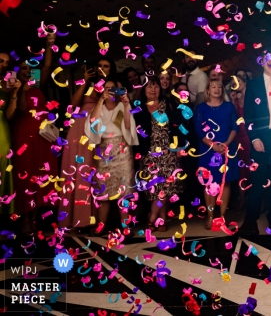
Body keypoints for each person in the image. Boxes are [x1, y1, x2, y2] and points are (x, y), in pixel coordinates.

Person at [58, 57, 118, 231]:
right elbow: (73, 104)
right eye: (98, 65)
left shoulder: (112, 86)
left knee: (93, 171)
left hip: (99, 129)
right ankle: (74, 219)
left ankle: (92, 219)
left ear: (111, 69)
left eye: (105, 66)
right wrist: (85, 82)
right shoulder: (88, 84)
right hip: (79, 130)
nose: (101, 68)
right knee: (76, 170)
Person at [6, 34, 56, 235]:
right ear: (18, 71)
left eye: (30, 68)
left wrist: (49, 44)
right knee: (25, 176)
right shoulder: (15, 88)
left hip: (42, 138)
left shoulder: (38, 83)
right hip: (24, 135)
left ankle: (35, 217)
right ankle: (25, 218)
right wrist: (21, 90)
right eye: (23, 68)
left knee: (40, 176)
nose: (28, 71)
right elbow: (18, 110)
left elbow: (47, 66)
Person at [239, 47, 271, 236]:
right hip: (261, 137)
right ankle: (250, 222)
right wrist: (254, 139)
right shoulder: (253, 85)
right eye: (268, 58)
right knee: (257, 180)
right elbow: (248, 115)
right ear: (262, 61)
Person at [84, 76, 139, 236]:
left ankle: (126, 228)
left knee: (124, 191)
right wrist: (100, 100)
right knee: (104, 191)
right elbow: (93, 122)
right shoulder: (98, 107)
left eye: (112, 88)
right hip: (103, 150)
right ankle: (101, 226)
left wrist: (127, 104)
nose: (110, 91)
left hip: (122, 150)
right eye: (106, 88)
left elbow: (128, 127)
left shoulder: (122, 106)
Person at [133, 78, 185, 232]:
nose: (153, 89)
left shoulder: (168, 104)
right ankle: (161, 220)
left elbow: (178, 125)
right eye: (149, 86)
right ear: (144, 90)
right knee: (155, 189)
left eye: (155, 86)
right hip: (148, 154)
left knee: (166, 187)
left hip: (168, 152)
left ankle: (152, 217)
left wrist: (180, 146)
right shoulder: (139, 108)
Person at [194, 80, 239, 230]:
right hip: (208, 150)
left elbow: (235, 127)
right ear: (207, 90)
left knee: (225, 182)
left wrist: (225, 144)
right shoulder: (201, 108)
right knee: (209, 184)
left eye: (220, 86)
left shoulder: (229, 106)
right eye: (213, 86)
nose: (217, 89)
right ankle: (210, 217)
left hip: (227, 148)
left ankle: (222, 217)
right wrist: (213, 145)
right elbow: (199, 131)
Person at [229, 70, 251, 210]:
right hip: (238, 139)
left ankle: (255, 199)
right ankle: (242, 199)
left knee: (252, 168)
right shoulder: (234, 101)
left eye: (239, 81)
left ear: (244, 83)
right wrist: (232, 101)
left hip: (250, 138)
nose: (237, 84)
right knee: (240, 169)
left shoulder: (251, 98)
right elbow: (231, 119)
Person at [0, 51, 16, 217]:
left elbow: (10, 115)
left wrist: (15, 94)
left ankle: (3, 217)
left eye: (7, 63)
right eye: (1, 61)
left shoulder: (10, 80)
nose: (4, 65)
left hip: (1, 130)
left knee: (3, 167)